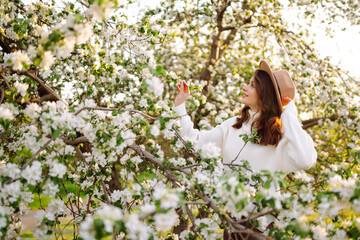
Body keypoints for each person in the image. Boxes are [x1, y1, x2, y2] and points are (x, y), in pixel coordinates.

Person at [173, 60, 317, 173]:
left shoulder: (283, 136)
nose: (245, 87)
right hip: (228, 210)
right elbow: (196, 142)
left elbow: (304, 160)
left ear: (265, 94)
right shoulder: (234, 125)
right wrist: (180, 105)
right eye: (249, 83)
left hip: (264, 210)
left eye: (253, 85)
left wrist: (289, 114)